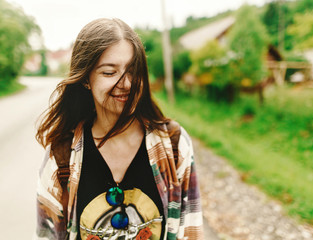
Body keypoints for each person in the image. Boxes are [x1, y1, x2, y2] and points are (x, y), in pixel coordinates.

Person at [35, 18, 203, 240]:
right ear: (86, 79)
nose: (126, 84)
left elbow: (190, 232)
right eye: (109, 72)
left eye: (133, 70)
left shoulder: (173, 144)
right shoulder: (62, 155)